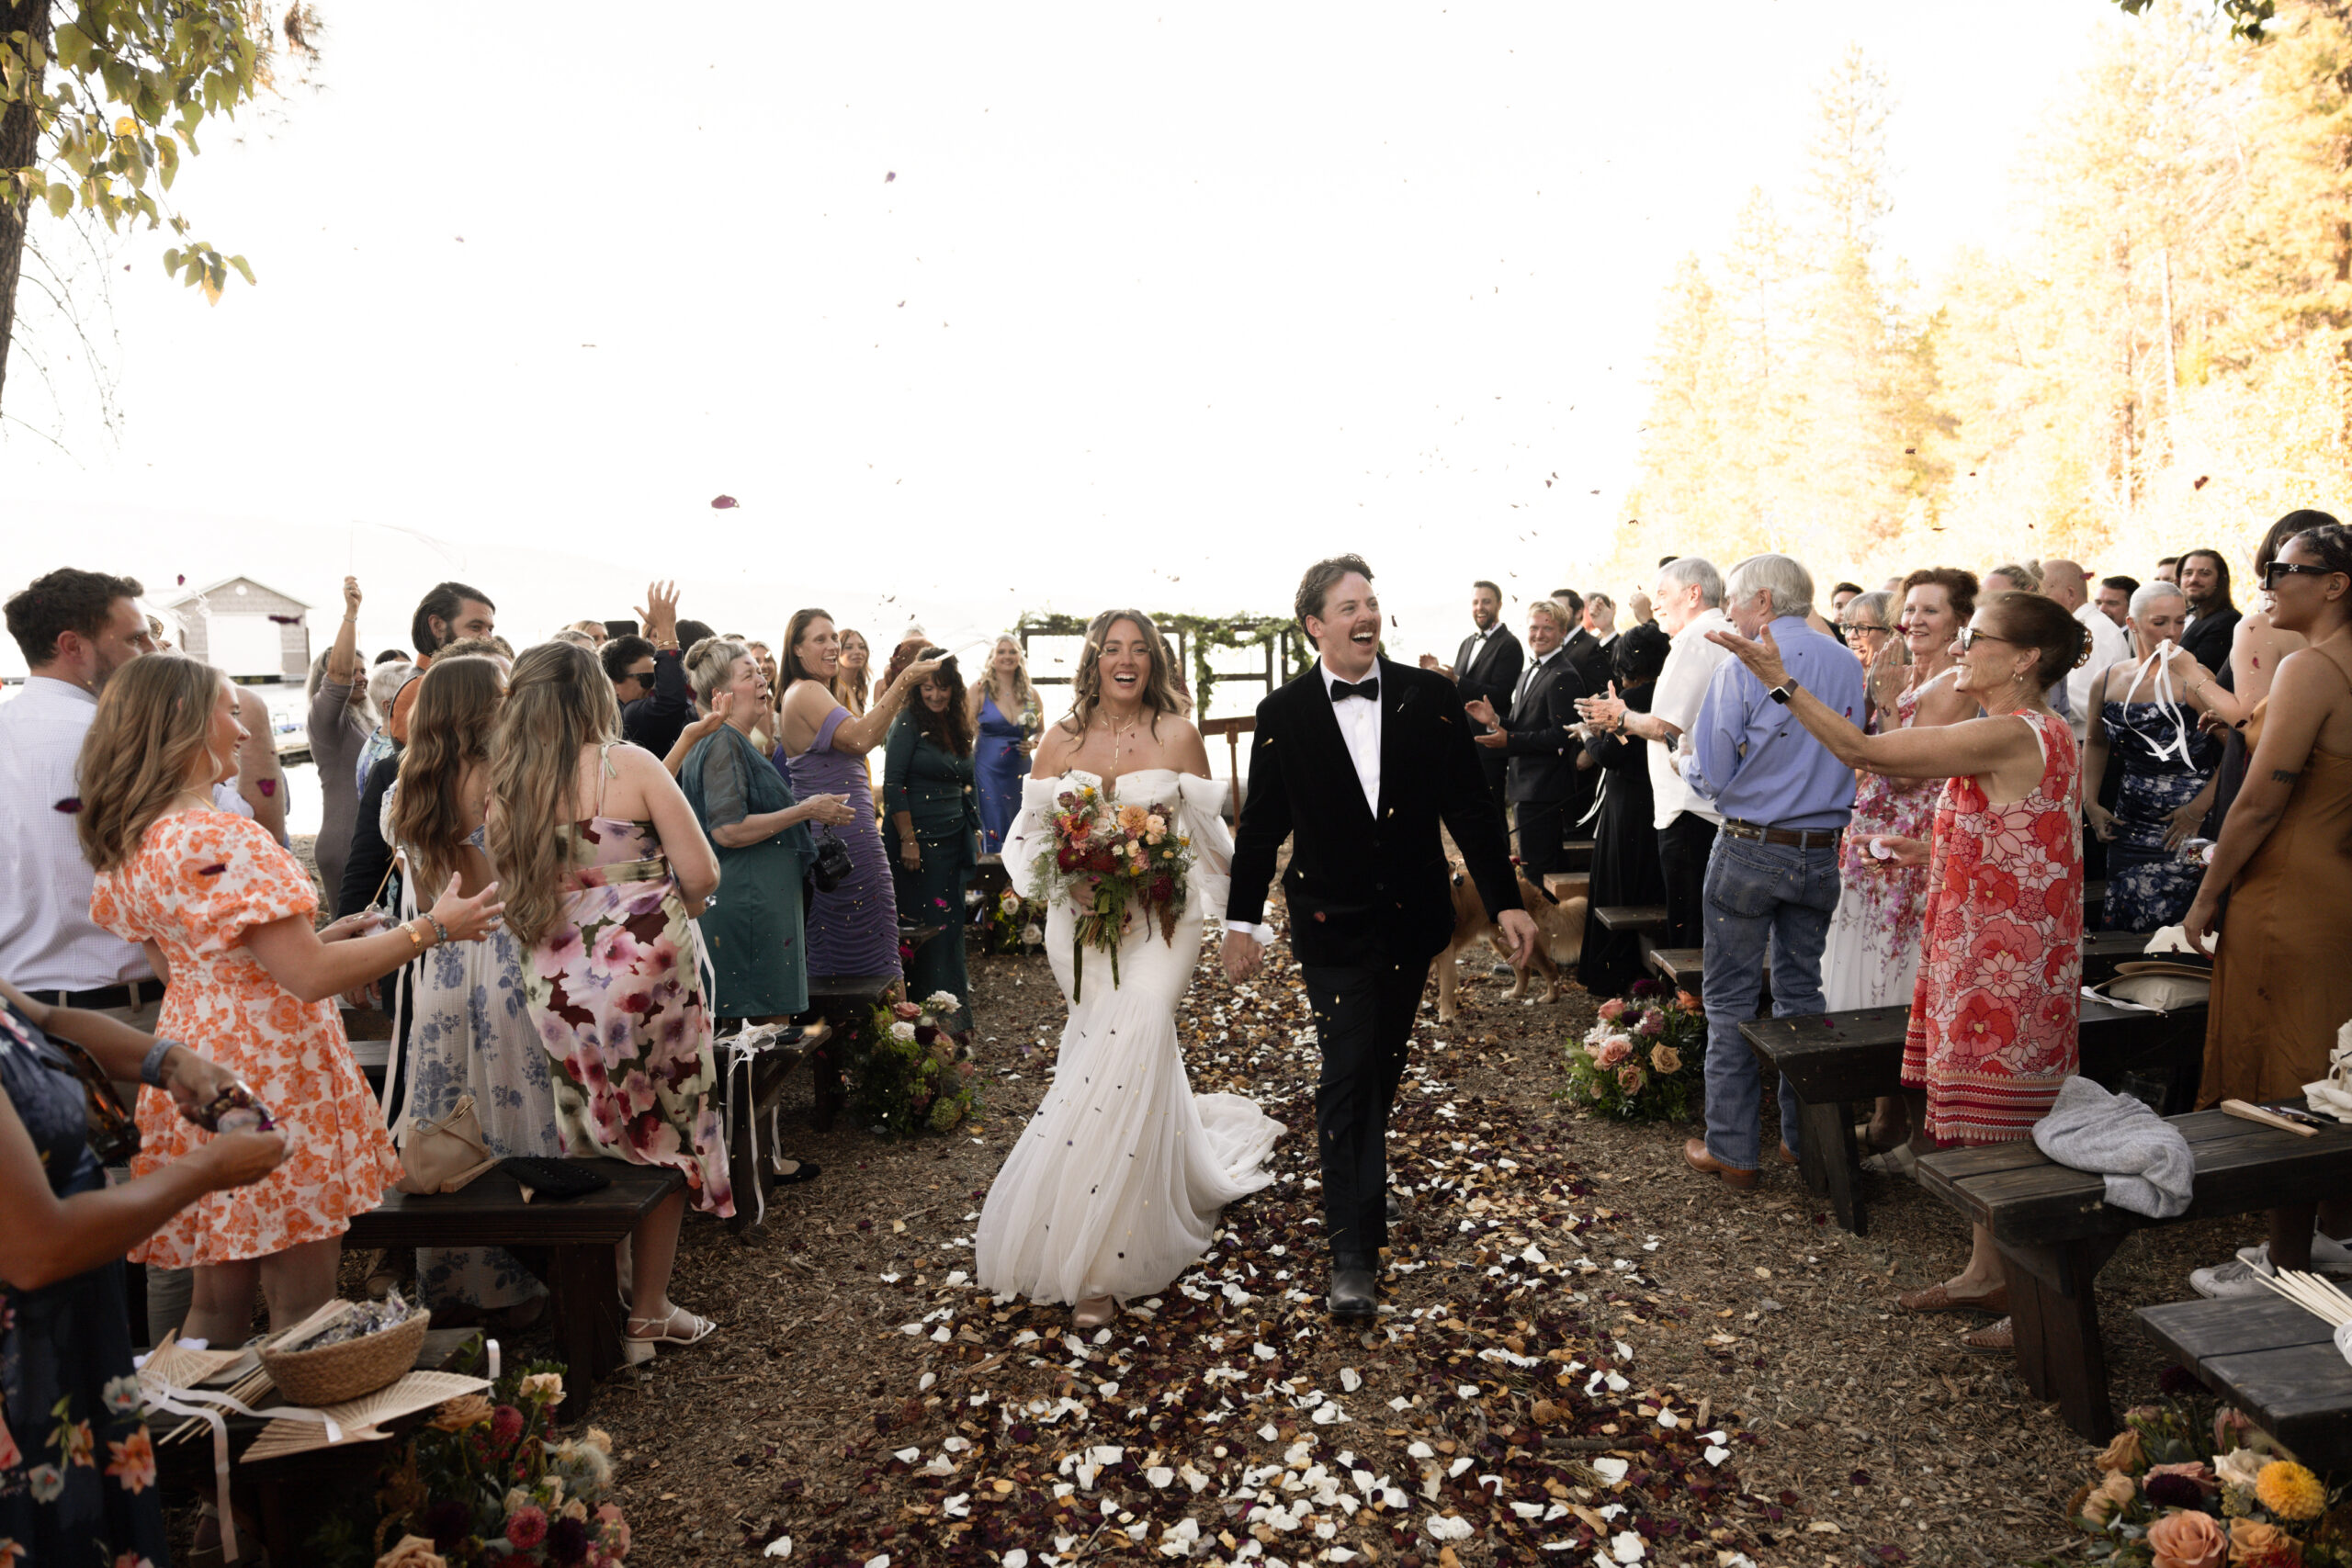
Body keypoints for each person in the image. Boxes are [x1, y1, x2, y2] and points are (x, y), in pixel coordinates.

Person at [81, 655, 502, 1346]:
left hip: (192, 1061)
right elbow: (307, 977)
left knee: (217, 1301)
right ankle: (305, 1445)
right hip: (273, 1072)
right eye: (226, 711)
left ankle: (200, 1437)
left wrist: (323, 934)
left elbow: (191, 963)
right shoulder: (222, 836)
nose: (242, 730)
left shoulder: (133, 838)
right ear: (183, 724)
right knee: (302, 1305)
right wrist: (434, 928)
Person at [1711, 588, 2089, 1354]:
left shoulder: (2012, 730)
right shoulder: (2033, 732)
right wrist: (1936, 850)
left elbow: (1867, 753)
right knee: (1987, 1125)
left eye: (1976, 638)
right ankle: (1987, 1270)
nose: (1959, 649)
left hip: (2002, 965)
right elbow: (2022, 834)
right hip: (1986, 946)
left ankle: (2036, 1300)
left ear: (2025, 660)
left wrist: (1780, 683)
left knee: (2004, 1130)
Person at [1223, 557, 1535, 1320]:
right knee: (1344, 1075)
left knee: (1377, 1072)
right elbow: (1261, 826)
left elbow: (1469, 807)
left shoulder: (1430, 699)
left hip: (1411, 921)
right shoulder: (1284, 712)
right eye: (1348, 605)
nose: (1366, 614)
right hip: (1329, 923)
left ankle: (1359, 1186)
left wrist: (1504, 904)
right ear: (1316, 625)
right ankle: (1352, 1253)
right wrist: (1241, 920)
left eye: (1372, 601)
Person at [980, 607, 1286, 1328]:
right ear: (1094, 660)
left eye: (1138, 650)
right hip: (1079, 929)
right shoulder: (1060, 738)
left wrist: (1242, 924)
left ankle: (1102, 1261)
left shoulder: (1180, 735)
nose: (1126, 660)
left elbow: (1212, 841)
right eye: (1112, 648)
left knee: (1140, 1029)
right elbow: (1026, 840)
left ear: (1154, 660)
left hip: (1162, 922)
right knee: (1108, 1058)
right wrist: (1070, 875)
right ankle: (1123, 1193)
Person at [484, 640, 729, 1360]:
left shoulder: (509, 787)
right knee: (668, 1128)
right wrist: (661, 909)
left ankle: (604, 1296)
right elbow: (701, 869)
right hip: (649, 973)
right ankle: (647, 1313)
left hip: (556, 981)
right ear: (595, 694)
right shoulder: (633, 765)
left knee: (590, 1129)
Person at [0, 980, 289, 1566]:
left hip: (69, 1346)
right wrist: (209, 1168)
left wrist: (173, 1061)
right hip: (20, 1378)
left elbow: (42, 1018)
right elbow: (37, 1249)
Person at [2179, 522, 2352, 1294]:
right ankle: (2336, 1234)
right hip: (2339, 883)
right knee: (2336, 1063)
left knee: (2291, 1065)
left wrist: (2208, 894)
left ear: (2335, 584)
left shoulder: (2314, 668)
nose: (2268, 584)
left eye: (2283, 570)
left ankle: (2287, 1261)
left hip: (2291, 886)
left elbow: (2255, 803)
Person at [1676, 555, 1864, 1190]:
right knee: (1801, 997)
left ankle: (1733, 1150)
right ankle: (1799, 1140)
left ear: (1762, 601)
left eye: (1732, 599)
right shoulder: (1846, 661)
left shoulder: (1744, 663)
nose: (1727, 612)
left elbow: (1712, 772)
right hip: (1819, 848)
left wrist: (1685, 763)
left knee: (1729, 1000)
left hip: (1752, 845)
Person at [382, 654, 561, 1322]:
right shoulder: (503, 780)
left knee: (460, 1121)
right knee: (522, 1114)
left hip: (446, 967)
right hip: (509, 962)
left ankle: (472, 1288)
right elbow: (518, 881)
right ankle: (548, 1272)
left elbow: (431, 894)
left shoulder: (410, 788)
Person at [681, 637, 854, 1029]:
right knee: (759, 1037)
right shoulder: (722, 741)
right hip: (747, 907)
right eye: (748, 675)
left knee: (765, 1037)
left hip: (760, 903)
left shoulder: (737, 740)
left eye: (760, 672)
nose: (761, 680)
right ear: (719, 693)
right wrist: (806, 809)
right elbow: (727, 829)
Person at [1576, 556, 1732, 950]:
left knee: (1690, 929)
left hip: (1689, 808)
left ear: (1693, 593)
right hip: (1701, 804)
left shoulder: (1698, 640)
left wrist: (1621, 716)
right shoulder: (1715, 632)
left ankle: (1691, 1008)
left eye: (1662, 593)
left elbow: (1665, 727)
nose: (1654, 602)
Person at [777, 611, 941, 985]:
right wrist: (903, 681)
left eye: (834, 637)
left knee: (867, 945)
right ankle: (881, 1035)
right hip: (841, 844)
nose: (833, 646)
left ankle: (875, 1035)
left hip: (845, 837)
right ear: (797, 650)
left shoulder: (815, 691)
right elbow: (860, 738)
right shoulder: (807, 691)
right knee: (866, 956)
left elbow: (868, 735)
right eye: (820, 639)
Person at [1822, 588, 1955, 1016]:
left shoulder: (1955, 682)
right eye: (1910, 609)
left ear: (1960, 621)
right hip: (1868, 825)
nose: (1915, 619)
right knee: (1856, 934)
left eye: (1930, 610)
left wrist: (1884, 698)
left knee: (1892, 942)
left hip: (1908, 834)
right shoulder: (1904, 673)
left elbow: (1904, 775)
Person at [2083, 583, 2233, 932]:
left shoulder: (2195, 679)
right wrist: (2090, 800)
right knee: (2128, 916)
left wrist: (2197, 811)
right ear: (2132, 624)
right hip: (2131, 822)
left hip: (2193, 825)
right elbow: (2096, 742)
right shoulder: (2108, 680)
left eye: (2180, 621)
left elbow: (2239, 750)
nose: (2172, 632)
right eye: (2160, 622)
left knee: (2184, 919)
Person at [886, 651, 984, 1028]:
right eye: (928, 687)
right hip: (918, 847)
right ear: (916, 687)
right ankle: (922, 1024)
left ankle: (954, 1021)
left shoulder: (956, 721)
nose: (936, 695)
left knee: (950, 930)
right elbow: (894, 783)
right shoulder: (907, 721)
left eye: (943, 687)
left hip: (952, 840)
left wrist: (973, 829)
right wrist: (908, 839)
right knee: (925, 933)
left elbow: (966, 780)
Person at [1574, 622, 1671, 996]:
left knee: (1621, 885)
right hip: (1655, 801)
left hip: (1628, 805)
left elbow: (1611, 756)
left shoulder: (1629, 702)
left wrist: (1586, 735)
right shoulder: (1666, 693)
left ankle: (1616, 973)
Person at [1463, 599, 1585, 882]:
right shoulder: (1529, 672)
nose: (1539, 635)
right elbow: (1523, 725)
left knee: (1540, 874)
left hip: (1545, 791)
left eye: (1548, 629)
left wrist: (1510, 740)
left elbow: (1562, 735)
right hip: (1525, 787)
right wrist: (1495, 721)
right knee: (1533, 870)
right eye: (1534, 628)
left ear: (1562, 632)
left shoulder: (1563, 675)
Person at [1419, 581, 1522, 825]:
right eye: (1476, 602)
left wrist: (1454, 678)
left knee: (1493, 810)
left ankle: (1505, 862)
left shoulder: (1510, 644)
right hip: (1463, 738)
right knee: (1470, 811)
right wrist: (1439, 673)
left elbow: (1499, 694)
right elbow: (1462, 686)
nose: (1480, 607)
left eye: (1486, 601)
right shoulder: (1467, 642)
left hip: (1490, 742)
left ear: (1499, 604)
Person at [307, 575, 378, 903]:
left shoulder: (365, 719)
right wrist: (351, 614)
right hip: (345, 843)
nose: (361, 678)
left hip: (367, 841)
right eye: (354, 670)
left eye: (364, 671)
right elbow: (337, 679)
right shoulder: (326, 722)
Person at [388, 580, 496, 744]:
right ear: (437, 626)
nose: (488, 639)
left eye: (490, 629)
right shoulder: (420, 689)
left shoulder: (457, 683)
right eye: (475, 627)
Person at [2046, 558, 2132, 745]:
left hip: (2087, 744)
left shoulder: (2094, 633)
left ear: (2070, 594)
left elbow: (2082, 702)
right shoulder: (2078, 629)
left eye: (2042, 594)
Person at [605, 581, 692, 759]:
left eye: (657, 678)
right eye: (647, 679)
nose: (654, 687)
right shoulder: (628, 717)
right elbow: (671, 701)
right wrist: (665, 628)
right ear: (614, 685)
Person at [970, 636, 1039, 854]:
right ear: (992, 658)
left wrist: (1033, 743)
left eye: (1012, 651)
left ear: (1020, 656)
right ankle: (991, 878)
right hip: (987, 770)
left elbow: (1043, 730)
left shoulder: (1031, 693)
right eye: (1001, 652)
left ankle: (1017, 884)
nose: (1007, 656)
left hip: (1020, 770)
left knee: (1020, 821)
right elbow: (965, 727)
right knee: (993, 819)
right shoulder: (980, 689)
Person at [2177, 547, 2240, 680]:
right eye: (2188, 573)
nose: (2194, 579)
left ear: (2220, 580)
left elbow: (2195, 673)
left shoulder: (2227, 621)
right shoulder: (2188, 616)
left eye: (2204, 573)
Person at [833, 628, 875, 718]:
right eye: (849, 647)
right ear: (837, 652)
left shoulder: (859, 689)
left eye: (861, 647)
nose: (857, 652)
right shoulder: (838, 688)